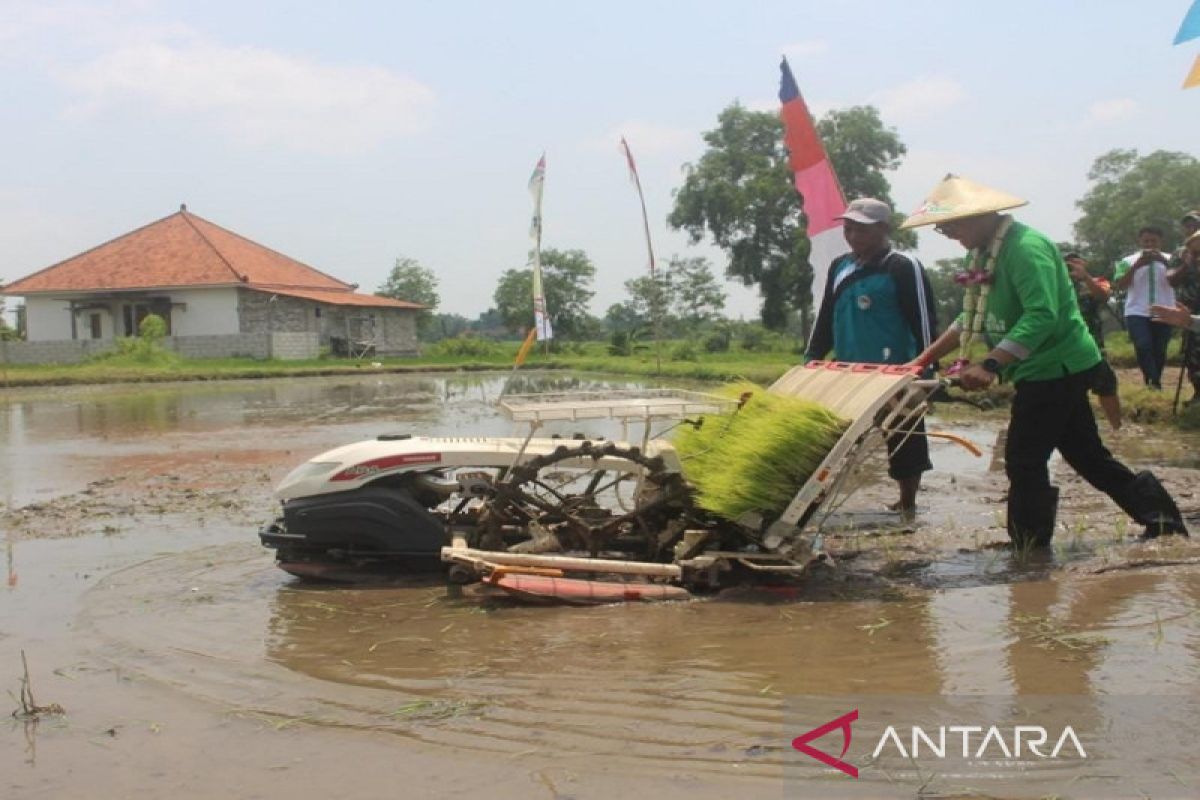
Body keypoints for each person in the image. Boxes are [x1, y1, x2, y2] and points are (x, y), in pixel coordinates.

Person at [900, 174, 1187, 547]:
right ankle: (1164, 523)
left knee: (1022, 457)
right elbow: (971, 316)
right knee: (1088, 456)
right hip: (1036, 367)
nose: (947, 233)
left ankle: (1029, 546)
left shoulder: (1026, 249)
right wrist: (921, 360)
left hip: (1057, 364)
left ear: (982, 216)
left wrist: (990, 364)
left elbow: (1041, 315)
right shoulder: (982, 253)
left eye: (951, 224)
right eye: (941, 228)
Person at [805, 197, 937, 518]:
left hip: (895, 371)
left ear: (883, 229)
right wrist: (811, 359)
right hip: (847, 369)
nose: (853, 236)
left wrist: (926, 369)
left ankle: (907, 502)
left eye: (861, 230)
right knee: (830, 437)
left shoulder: (902, 266)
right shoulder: (840, 266)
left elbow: (924, 321)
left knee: (905, 437)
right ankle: (810, 500)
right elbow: (825, 317)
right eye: (848, 229)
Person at [1063, 251, 1121, 429]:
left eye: (1075, 261)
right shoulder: (1055, 283)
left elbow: (1103, 296)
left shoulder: (1095, 281)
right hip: (1064, 345)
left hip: (1092, 343)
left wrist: (1085, 277)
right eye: (1067, 262)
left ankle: (1117, 427)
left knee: (1107, 384)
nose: (1071, 265)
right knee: (1069, 390)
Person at [1114, 226, 1175, 389]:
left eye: (1153, 241)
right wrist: (1137, 266)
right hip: (1136, 311)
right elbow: (1120, 285)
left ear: (1161, 242)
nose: (1149, 245)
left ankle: (1153, 381)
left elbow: (1178, 280)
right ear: (1139, 241)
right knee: (1143, 345)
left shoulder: (1172, 259)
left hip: (1165, 310)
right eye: (1146, 241)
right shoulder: (1128, 261)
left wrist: (1164, 262)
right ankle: (1153, 381)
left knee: (1160, 349)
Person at [1167, 211, 1200, 404]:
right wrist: (1187, 263)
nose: (1191, 229)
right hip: (1188, 312)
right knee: (1192, 354)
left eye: (1194, 225)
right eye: (1187, 226)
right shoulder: (1179, 253)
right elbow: (1171, 280)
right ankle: (1198, 392)